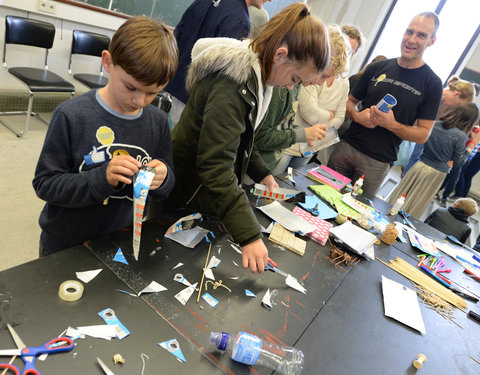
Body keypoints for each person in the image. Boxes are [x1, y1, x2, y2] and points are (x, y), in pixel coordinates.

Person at [171, 3, 330, 273]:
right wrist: (249, 235)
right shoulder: (232, 83)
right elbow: (216, 166)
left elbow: (242, 136)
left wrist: (261, 172)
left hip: (201, 193)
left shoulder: (257, 77)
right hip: (184, 194)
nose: (291, 86)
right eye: (294, 78)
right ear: (281, 55)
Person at [32, 16, 178, 255]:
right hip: (66, 243)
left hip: (121, 240)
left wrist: (163, 178)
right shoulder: (71, 115)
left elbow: (167, 180)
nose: (139, 101)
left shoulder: (158, 122)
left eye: (152, 93)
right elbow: (45, 184)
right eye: (130, 87)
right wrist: (102, 179)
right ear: (108, 62)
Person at [328, 12, 443, 196]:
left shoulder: (432, 84)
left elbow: (423, 134)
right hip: (346, 147)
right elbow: (348, 102)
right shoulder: (377, 68)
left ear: (431, 41)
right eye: (409, 32)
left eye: (421, 35)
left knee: (352, 215)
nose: (411, 39)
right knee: (319, 199)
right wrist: (357, 116)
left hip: (377, 163)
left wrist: (391, 124)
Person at [165, 0, 272, 127]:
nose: (271, 0)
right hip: (199, 104)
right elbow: (224, 78)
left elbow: (177, 36)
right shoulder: (239, 20)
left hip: (179, 88)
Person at [273, 24, 351, 173]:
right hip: (286, 145)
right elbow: (310, 113)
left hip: (309, 145)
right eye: (323, 75)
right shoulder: (290, 83)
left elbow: (339, 119)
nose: (319, 82)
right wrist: (329, 114)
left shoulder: (342, 82)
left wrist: (317, 129)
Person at [387, 103, 479, 219]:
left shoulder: (435, 124)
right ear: (470, 120)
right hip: (436, 173)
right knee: (417, 203)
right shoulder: (460, 136)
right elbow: (460, 162)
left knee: (402, 194)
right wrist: (472, 144)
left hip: (419, 165)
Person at [402, 76, 479, 177]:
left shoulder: (447, 105)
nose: (457, 108)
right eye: (459, 104)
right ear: (457, 94)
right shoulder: (432, 94)